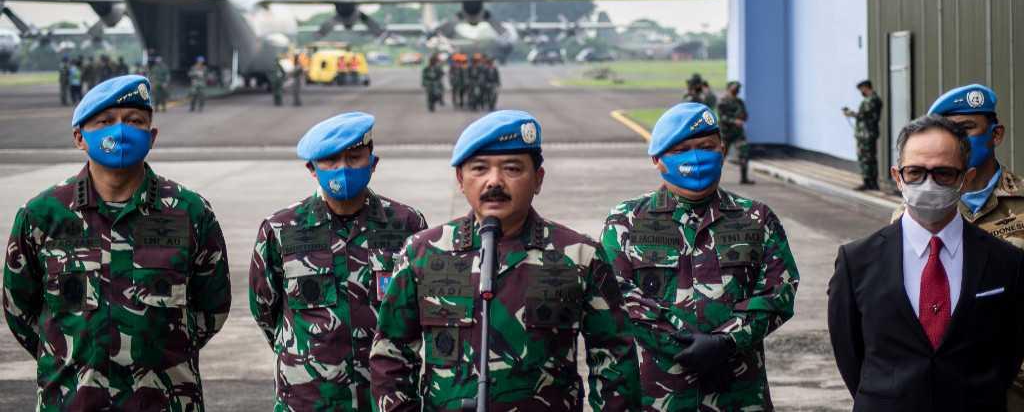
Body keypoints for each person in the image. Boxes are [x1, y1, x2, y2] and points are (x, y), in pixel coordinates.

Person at [370, 110, 640, 411]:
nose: (494, 182)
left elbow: (614, 359)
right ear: (461, 179)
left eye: (512, 169)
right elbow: (390, 355)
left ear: (537, 179)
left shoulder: (579, 256)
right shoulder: (423, 253)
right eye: (479, 169)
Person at [2, 75, 232, 411]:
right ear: (80, 138)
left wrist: (159, 355)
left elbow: (212, 307)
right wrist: (69, 356)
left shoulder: (190, 212)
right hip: (71, 402)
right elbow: (19, 309)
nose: (121, 130)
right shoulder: (43, 215)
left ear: (151, 137)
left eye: (134, 121)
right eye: (105, 121)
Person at [602, 102, 800, 410]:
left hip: (739, 396)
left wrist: (727, 341)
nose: (696, 157)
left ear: (722, 150)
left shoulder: (757, 218)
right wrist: (681, 343)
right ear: (658, 160)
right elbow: (619, 297)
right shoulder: (626, 221)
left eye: (706, 147)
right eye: (681, 150)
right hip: (658, 397)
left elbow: (779, 292)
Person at [828, 115, 1024, 411]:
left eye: (943, 173)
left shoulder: (1005, 261)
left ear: (966, 178)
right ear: (897, 176)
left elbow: (1010, 350)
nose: (928, 183)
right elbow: (849, 352)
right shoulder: (856, 261)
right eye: (915, 172)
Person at [250, 112, 427, 411]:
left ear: (373, 162)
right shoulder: (281, 229)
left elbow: (421, 310)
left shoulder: (407, 224)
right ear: (312, 168)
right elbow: (266, 311)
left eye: (354, 157)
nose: (342, 169)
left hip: (387, 399)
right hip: (309, 399)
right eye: (330, 161)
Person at [843, 79, 883, 190]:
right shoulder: (871, 99)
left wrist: (850, 113)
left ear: (866, 87)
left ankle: (869, 182)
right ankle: (870, 182)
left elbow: (863, 115)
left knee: (866, 158)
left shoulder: (872, 100)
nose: (861, 91)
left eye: (861, 89)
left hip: (867, 134)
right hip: (865, 133)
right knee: (868, 158)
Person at [718, 81, 755, 184]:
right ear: (729, 88)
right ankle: (712, 180)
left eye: (738, 89)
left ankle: (744, 178)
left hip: (738, 133)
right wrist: (734, 121)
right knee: (719, 157)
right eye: (735, 88)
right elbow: (722, 117)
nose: (737, 90)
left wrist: (743, 117)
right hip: (725, 133)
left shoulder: (739, 101)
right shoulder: (723, 101)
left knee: (744, 153)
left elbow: (745, 114)